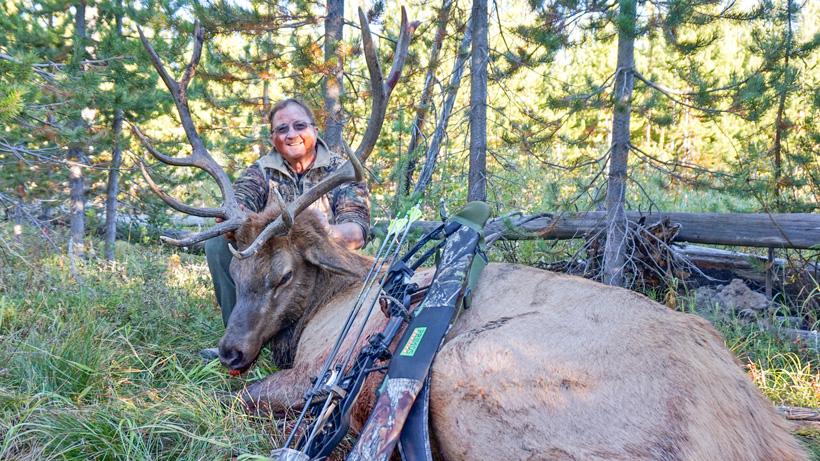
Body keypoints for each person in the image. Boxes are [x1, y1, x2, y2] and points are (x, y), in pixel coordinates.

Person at [201, 99, 370, 357]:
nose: (291, 134)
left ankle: (318, 340)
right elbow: (239, 203)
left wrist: (326, 233)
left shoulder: (341, 170)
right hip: (270, 261)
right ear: (272, 138)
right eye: (282, 129)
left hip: (317, 264)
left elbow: (356, 230)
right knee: (217, 245)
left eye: (299, 126)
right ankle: (240, 338)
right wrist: (235, 222)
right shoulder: (260, 171)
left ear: (314, 130)